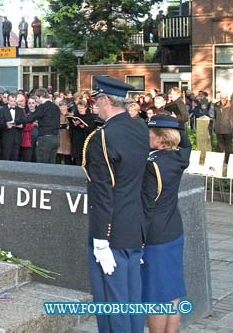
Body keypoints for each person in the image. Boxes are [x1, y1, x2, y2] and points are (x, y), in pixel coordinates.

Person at [82, 75, 149, 333]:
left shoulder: (100, 138)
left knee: (112, 305)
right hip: (135, 226)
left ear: (107, 100)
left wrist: (100, 240)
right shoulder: (140, 128)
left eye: (96, 99)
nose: (94, 105)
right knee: (132, 300)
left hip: (111, 233)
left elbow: (102, 193)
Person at [142, 114, 190, 333]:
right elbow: (186, 142)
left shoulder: (151, 165)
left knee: (156, 296)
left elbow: (146, 207)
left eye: (150, 133)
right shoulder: (180, 157)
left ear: (161, 139)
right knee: (172, 292)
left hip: (155, 236)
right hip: (173, 230)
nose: (147, 136)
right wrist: (176, 123)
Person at [14, 88, 61, 164]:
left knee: (42, 162)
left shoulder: (43, 106)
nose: (36, 100)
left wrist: (17, 121)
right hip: (56, 138)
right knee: (52, 163)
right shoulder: (55, 107)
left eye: (36, 98)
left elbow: (31, 117)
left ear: (41, 96)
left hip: (45, 138)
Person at [213, 91, 233, 164]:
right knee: (220, 145)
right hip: (219, 128)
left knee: (228, 145)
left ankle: (228, 160)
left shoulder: (231, 105)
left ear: (226, 98)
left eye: (223, 98)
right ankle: (221, 160)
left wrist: (230, 122)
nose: (222, 99)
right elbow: (214, 115)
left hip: (227, 127)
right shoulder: (216, 105)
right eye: (221, 98)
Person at [0, 93, 22, 161]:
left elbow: (24, 122)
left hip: (17, 138)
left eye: (14, 101)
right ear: (8, 101)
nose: (13, 103)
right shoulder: (2, 110)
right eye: (11, 101)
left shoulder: (20, 110)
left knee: (16, 158)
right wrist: (6, 125)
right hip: (7, 138)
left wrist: (21, 125)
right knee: (6, 158)